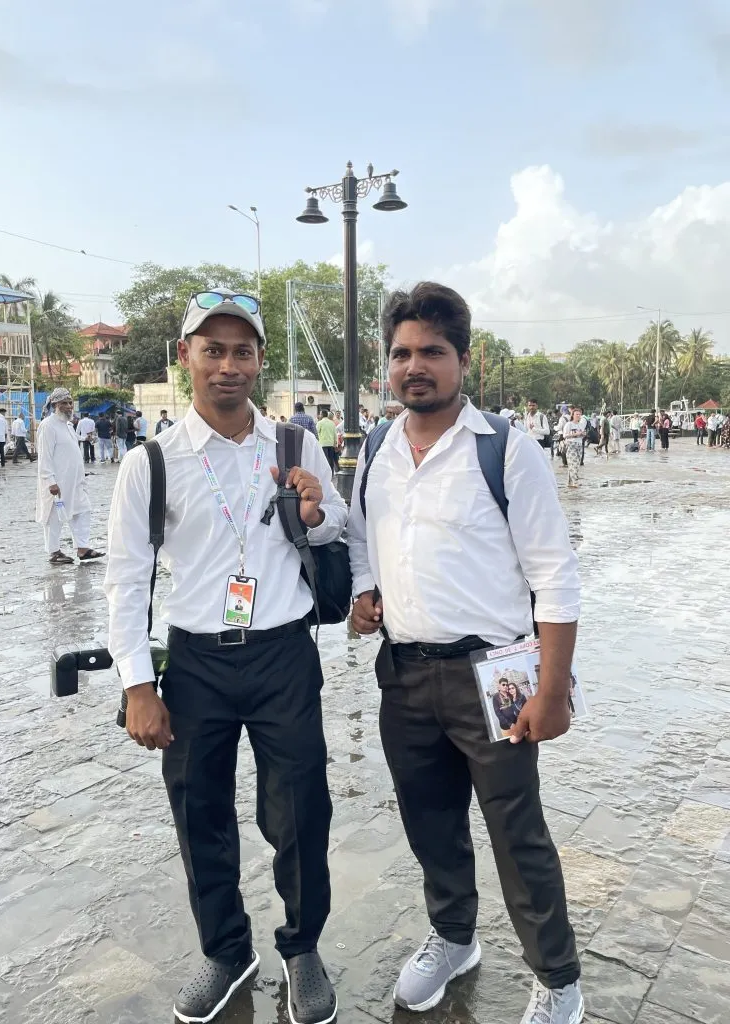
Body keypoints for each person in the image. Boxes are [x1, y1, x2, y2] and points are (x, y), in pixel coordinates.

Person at [105, 288, 347, 1024]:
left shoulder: (297, 446)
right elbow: (124, 579)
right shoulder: (151, 462)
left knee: (301, 808)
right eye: (212, 350)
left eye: (242, 351)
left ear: (261, 362)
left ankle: (301, 948)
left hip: (283, 654)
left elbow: (337, 528)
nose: (228, 365)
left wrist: (317, 511)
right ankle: (225, 951)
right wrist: (139, 685)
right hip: (197, 663)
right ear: (186, 359)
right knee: (200, 809)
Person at [348, 282, 583, 1024]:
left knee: (517, 831)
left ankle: (559, 979)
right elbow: (362, 537)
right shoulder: (379, 448)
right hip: (407, 674)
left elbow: (555, 575)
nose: (414, 366)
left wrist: (549, 688)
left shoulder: (505, 451)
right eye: (401, 353)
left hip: (498, 675)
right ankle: (454, 938)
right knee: (430, 820)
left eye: (431, 352)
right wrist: (363, 591)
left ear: (463, 360)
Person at [35, 388, 105, 564]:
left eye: (69, 402)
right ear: (55, 405)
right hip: (57, 483)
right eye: (63, 403)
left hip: (74, 482)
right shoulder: (48, 425)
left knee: (82, 510)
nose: (68, 406)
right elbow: (44, 456)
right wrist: (50, 481)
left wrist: (85, 439)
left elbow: (72, 444)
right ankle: (54, 552)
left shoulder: (67, 424)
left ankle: (82, 548)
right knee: (54, 517)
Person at [564, 409, 585, 488]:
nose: (578, 416)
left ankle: (570, 482)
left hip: (579, 444)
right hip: (571, 444)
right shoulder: (569, 424)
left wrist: (582, 434)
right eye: (577, 414)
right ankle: (575, 482)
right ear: (572, 415)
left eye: (580, 414)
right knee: (574, 463)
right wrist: (575, 434)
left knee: (577, 464)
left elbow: (582, 435)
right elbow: (565, 435)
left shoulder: (581, 425)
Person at [317, 409, 338, 474]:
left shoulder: (320, 423)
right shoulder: (332, 423)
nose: (319, 415)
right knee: (330, 459)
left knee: (324, 460)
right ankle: (331, 473)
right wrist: (335, 444)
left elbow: (317, 432)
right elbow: (335, 434)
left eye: (320, 414)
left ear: (322, 415)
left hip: (322, 444)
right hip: (331, 444)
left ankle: (325, 473)